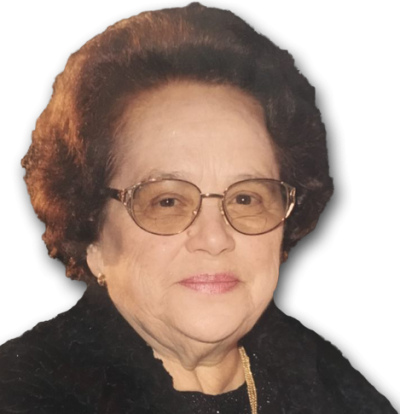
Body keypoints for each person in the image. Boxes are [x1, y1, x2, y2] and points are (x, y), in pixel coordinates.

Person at [1, 3, 397, 413]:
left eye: (246, 198)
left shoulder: (337, 389)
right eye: (167, 201)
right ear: (92, 236)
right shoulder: (19, 394)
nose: (215, 238)